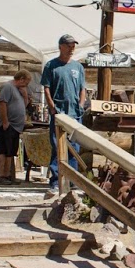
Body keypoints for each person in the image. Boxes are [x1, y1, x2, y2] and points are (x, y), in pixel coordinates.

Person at [41, 34, 87, 198]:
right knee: (57, 146)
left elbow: (82, 88)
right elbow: (46, 88)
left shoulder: (78, 67)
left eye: (73, 45)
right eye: (68, 45)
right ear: (61, 46)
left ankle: (72, 181)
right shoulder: (51, 66)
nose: (72, 48)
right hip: (59, 112)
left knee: (74, 148)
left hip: (75, 113)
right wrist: (52, 107)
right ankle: (55, 182)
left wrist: (81, 104)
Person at [0, 70, 30, 185]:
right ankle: (2, 175)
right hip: (8, 125)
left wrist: (25, 96)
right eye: (26, 83)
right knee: (4, 150)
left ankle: (9, 175)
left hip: (16, 126)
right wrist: (5, 121)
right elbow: (2, 103)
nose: (26, 86)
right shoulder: (7, 87)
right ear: (21, 79)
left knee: (11, 152)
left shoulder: (18, 91)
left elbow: (23, 106)